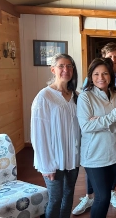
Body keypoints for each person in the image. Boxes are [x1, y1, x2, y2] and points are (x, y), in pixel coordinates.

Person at [73, 42, 116, 215]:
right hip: (95, 156)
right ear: (91, 76)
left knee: (107, 195)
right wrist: (114, 117)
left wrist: (103, 123)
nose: (101, 77)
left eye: (104, 73)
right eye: (96, 74)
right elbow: (86, 126)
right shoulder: (86, 97)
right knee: (102, 197)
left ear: (111, 75)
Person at [30, 54, 80, 218]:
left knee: (68, 195)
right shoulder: (44, 97)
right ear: (53, 70)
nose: (66, 69)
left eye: (69, 66)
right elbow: (39, 134)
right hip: (53, 158)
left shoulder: (76, 96)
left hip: (72, 157)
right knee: (56, 199)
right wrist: (47, 165)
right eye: (61, 66)